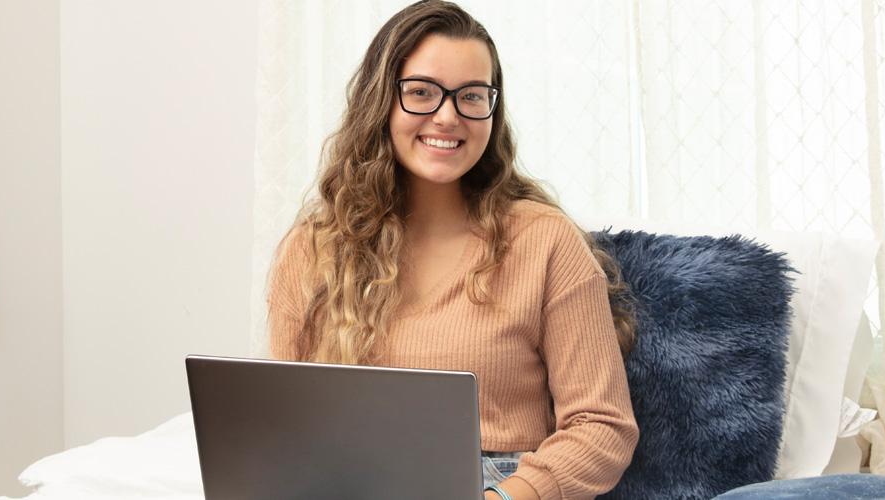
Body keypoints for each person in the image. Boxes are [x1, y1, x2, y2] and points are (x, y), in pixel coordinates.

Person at [264, 2, 639, 499]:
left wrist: (503, 498)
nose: (447, 116)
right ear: (381, 102)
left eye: (471, 96)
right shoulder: (312, 248)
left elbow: (603, 426)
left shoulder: (545, 240)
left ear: (493, 108)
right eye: (421, 92)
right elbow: (284, 424)